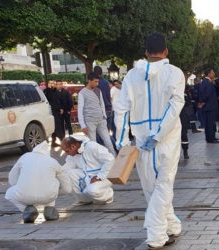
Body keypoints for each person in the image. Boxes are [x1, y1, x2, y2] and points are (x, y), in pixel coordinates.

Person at [115, 32, 182, 249]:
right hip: (168, 138)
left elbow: (121, 109)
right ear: (166, 51)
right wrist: (159, 134)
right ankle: (156, 236)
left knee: (152, 187)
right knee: (163, 185)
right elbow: (175, 107)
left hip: (142, 138)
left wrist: (122, 139)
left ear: (145, 52)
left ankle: (171, 225)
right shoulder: (175, 73)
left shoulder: (131, 76)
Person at [5, 141, 71, 223]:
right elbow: (67, 187)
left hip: (25, 195)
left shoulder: (25, 157)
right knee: (53, 185)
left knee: (9, 193)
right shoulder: (52, 161)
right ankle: (49, 209)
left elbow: (12, 177)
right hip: (48, 196)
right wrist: (59, 192)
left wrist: (20, 187)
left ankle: (27, 209)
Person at [61, 135, 114, 205]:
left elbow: (110, 159)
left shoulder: (92, 146)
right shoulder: (72, 154)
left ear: (73, 147)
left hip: (104, 176)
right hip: (87, 176)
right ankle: (84, 200)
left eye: (67, 151)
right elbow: (66, 168)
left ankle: (108, 196)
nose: (66, 153)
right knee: (66, 174)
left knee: (92, 191)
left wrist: (99, 176)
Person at [77, 72, 117, 156]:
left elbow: (102, 104)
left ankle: (115, 159)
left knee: (108, 142)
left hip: (101, 120)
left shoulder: (98, 90)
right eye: (95, 81)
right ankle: (96, 163)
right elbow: (80, 110)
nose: (97, 83)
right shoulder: (82, 93)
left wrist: (104, 117)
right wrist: (83, 125)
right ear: (89, 81)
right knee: (93, 145)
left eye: (97, 82)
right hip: (90, 121)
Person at [199, 68, 219, 143]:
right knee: (210, 124)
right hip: (209, 107)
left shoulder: (210, 82)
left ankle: (211, 137)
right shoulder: (206, 82)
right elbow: (204, 94)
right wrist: (203, 101)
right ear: (209, 74)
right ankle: (210, 138)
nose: (214, 74)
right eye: (212, 73)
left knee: (211, 123)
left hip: (211, 106)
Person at [94, 66, 114, 133]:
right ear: (101, 72)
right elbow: (109, 95)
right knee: (107, 132)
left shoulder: (95, 84)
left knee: (99, 133)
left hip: (100, 110)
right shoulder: (106, 82)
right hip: (108, 108)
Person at [44, 80, 64, 147]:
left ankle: (53, 142)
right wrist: (49, 88)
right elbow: (48, 98)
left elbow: (59, 100)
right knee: (57, 127)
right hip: (51, 112)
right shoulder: (47, 91)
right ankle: (63, 141)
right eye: (51, 83)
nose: (53, 85)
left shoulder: (56, 91)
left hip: (57, 111)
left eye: (54, 83)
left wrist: (61, 108)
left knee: (58, 126)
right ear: (48, 84)